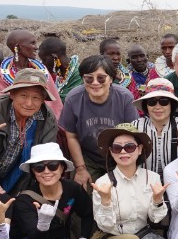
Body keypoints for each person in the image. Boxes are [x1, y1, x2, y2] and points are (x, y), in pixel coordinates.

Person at [89, 123, 170, 239]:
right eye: (117, 148)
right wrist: (106, 201)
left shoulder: (152, 177)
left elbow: (156, 218)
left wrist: (157, 200)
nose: (123, 152)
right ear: (111, 152)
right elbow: (105, 225)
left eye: (130, 146)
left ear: (139, 149)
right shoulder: (103, 182)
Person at [59, 55, 139, 185]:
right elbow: (71, 136)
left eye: (101, 78)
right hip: (88, 157)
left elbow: (132, 134)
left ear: (111, 79)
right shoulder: (73, 99)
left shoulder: (124, 97)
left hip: (120, 154)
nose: (95, 83)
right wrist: (80, 169)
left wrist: (125, 165)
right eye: (89, 78)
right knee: (83, 189)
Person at [0, 30, 63, 117]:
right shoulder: (0, 74)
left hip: (41, 121)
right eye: (32, 43)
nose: (36, 47)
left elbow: (54, 104)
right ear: (17, 47)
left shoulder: (41, 70)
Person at [132, 78, 178, 178]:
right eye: (152, 102)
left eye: (164, 101)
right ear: (146, 105)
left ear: (172, 104)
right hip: (143, 182)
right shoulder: (135, 127)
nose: (157, 107)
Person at [38, 36, 80, 101]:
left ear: (54, 58)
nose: (43, 64)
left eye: (44, 60)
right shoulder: (61, 73)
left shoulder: (79, 74)